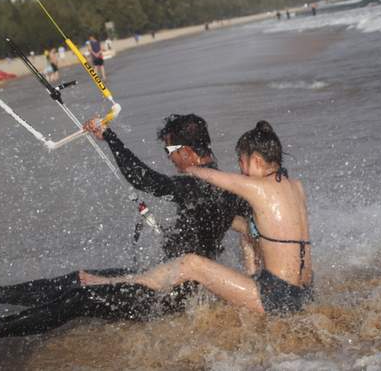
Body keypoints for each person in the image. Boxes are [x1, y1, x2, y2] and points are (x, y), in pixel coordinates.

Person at [0, 114, 251, 357]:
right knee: (79, 278)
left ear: (187, 151)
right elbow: (251, 230)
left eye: (169, 151)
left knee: (79, 298)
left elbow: (143, 178)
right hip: (166, 280)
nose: (170, 159)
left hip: (166, 296)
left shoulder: (197, 185)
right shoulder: (228, 187)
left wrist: (111, 137)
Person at [79, 121, 313, 315]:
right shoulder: (296, 187)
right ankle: (252, 282)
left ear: (258, 161)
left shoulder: (257, 188)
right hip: (305, 292)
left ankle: (115, 283)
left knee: (191, 264)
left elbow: (217, 179)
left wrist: (191, 172)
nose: (241, 170)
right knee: (248, 230)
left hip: (277, 296)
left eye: (242, 162)